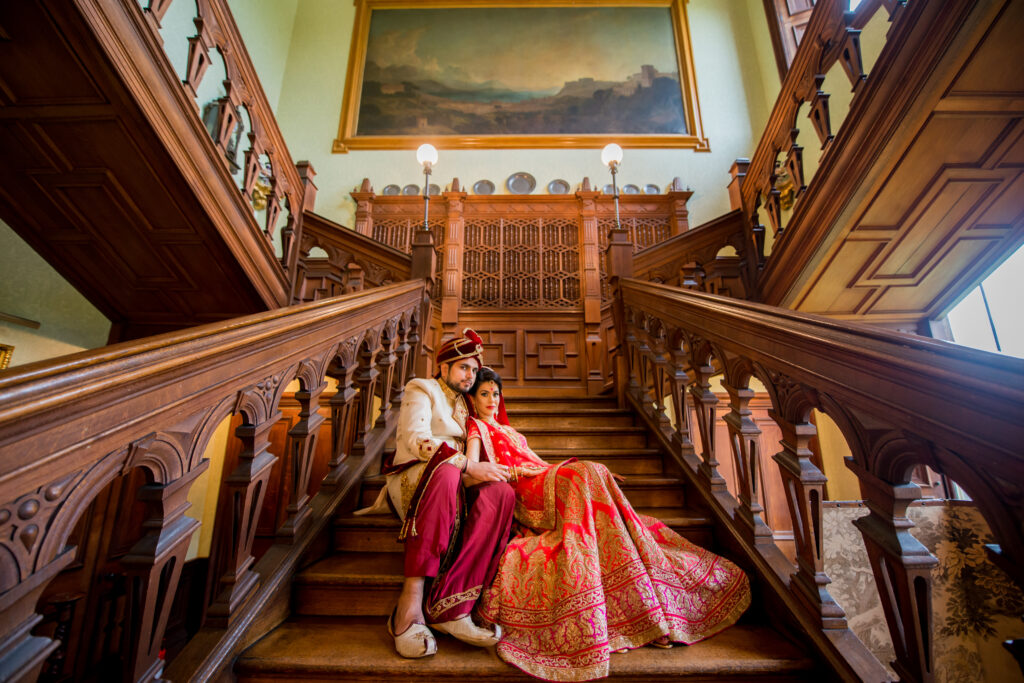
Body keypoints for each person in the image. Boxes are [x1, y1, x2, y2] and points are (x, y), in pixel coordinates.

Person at [463, 367, 751, 682]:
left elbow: (539, 461)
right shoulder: (476, 426)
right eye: (484, 394)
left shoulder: (511, 430)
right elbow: (473, 470)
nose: (492, 400)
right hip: (524, 490)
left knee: (595, 470)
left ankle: (642, 605)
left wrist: (565, 470)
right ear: (472, 398)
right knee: (589, 471)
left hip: (541, 477)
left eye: (495, 393)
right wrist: (523, 474)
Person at [371, 330, 516, 658]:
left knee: (502, 494)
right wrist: (467, 465)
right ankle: (409, 603)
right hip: (414, 476)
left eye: (473, 370)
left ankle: (451, 605)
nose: (470, 376)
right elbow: (416, 440)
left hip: (455, 481)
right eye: (463, 368)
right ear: (444, 366)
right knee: (447, 470)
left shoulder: (468, 404)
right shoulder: (422, 389)